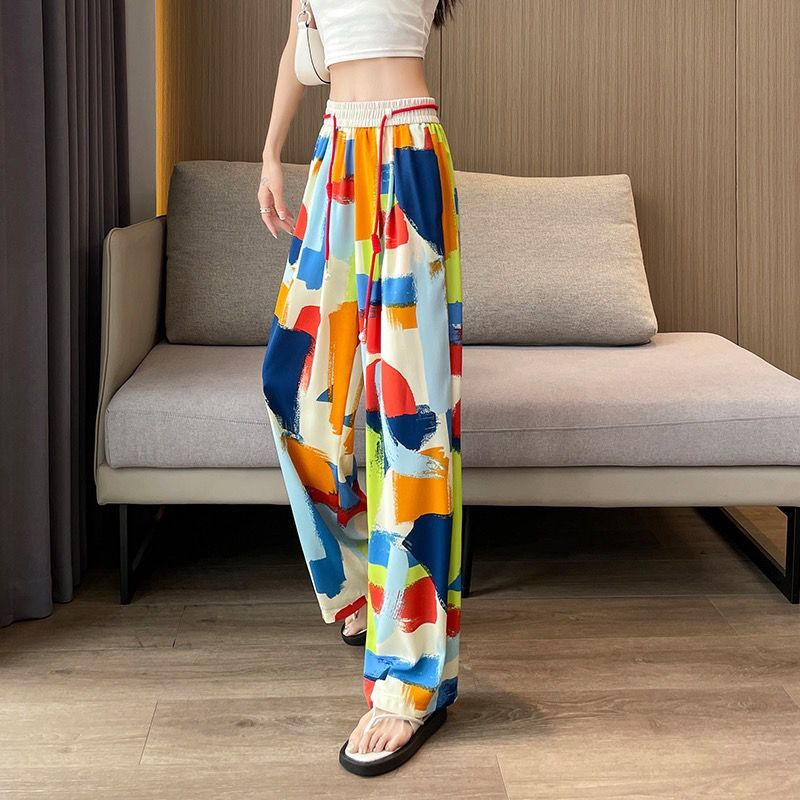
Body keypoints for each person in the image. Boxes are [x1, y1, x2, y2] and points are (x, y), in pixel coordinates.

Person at [258, 0, 463, 777]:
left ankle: (410, 683)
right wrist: (270, 153)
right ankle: (360, 588)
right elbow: (300, 45)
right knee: (292, 389)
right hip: (334, 154)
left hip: (407, 148)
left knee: (410, 420)